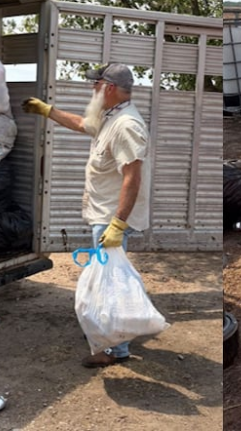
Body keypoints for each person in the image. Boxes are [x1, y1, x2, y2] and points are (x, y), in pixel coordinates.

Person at [21, 63, 151, 367]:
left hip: (111, 219)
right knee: (106, 281)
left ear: (109, 88)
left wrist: (118, 224)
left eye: (96, 85)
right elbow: (83, 124)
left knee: (112, 283)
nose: (91, 90)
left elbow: (133, 177)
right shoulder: (110, 116)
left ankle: (116, 350)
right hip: (103, 214)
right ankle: (106, 335)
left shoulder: (127, 125)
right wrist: (48, 111)